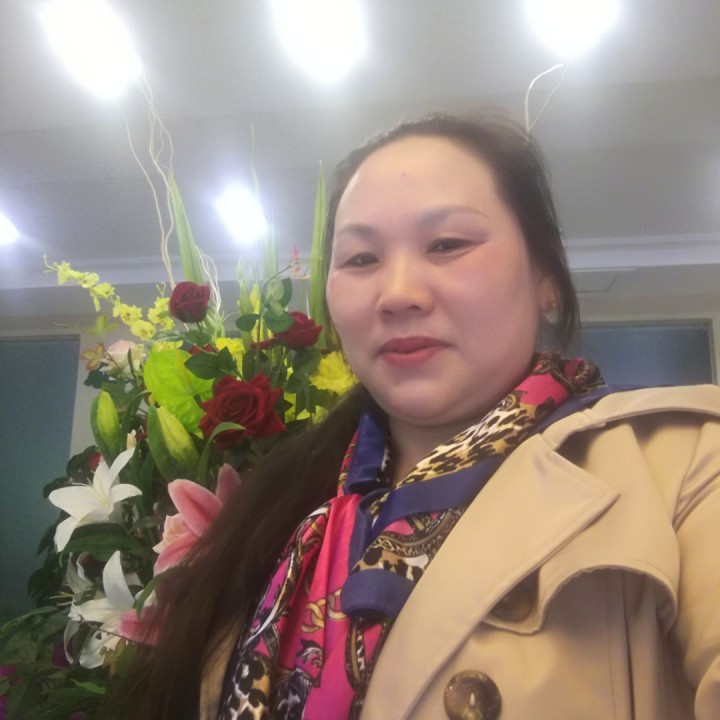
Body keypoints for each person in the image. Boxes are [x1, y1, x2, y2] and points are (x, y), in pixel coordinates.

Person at [119, 113, 720, 720]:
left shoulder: (683, 466)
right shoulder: (279, 511)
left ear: (546, 277)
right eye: (361, 259)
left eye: (447, 245)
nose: (398, 292)